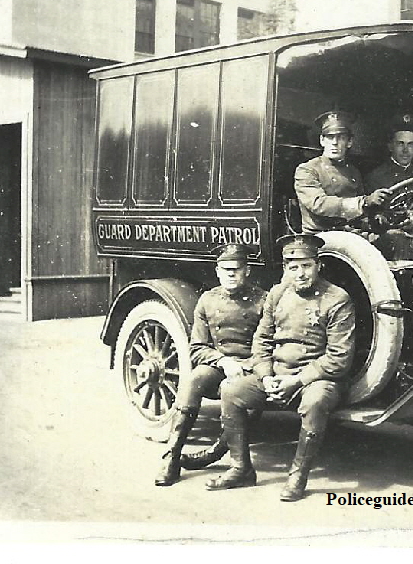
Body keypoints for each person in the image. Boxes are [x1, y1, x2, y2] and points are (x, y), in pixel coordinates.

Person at [205, 234, 355, 502]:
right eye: (292, 267)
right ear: (285, 268)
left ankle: (298, 476)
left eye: (306, 266)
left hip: (317, 378)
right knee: (231, 390)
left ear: (318, 265)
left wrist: (296, 381)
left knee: (315, 402)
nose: (300, 274)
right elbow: (261, 340)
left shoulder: (337, 299)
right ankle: (240, 468)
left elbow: (338, 358)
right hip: (277, 374)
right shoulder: (277, 294)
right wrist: (265, 376)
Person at [154, 243, 267, 486]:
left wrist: (246, 367)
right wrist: (223, 361)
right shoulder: (208, 300)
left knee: (234, 389)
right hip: (220, 363)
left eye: (236, 269)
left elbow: (268, 345)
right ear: (217, 271)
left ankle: (217, 454)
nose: (230, 274)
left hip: (252, 366)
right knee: (195, 379)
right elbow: (197, 348)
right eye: (225, 269)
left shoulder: (262, 300)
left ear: (246, 271)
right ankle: (171, 456)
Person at [294, 110, 392, 233]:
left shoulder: (353, 172)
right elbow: (319, 204)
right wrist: (365, 202)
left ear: (349, 142)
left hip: (350, 234)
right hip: (320, 238)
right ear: (322, 140)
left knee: (395, 238)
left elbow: (361, 212)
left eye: (341, 138)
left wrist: (374, 217)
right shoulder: (307, 170)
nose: (335, 143)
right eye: (330, 137)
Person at [364, 113, 413, 192]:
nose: (405, 150)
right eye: (400, 144)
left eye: (410, 144)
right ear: (390, 146)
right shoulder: (375, 178)